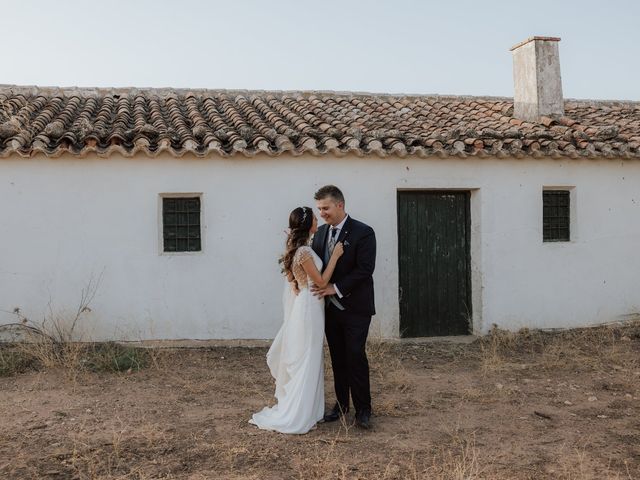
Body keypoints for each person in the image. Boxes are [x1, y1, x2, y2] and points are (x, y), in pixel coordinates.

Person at [249, 206, 343, 434]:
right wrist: (335, 257)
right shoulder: (303, 252)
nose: (317, 220)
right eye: (314, 217)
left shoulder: (301, 250)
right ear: (307, 224)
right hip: (310, 307)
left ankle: (311, 409)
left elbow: (294, 282)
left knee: (311, 355)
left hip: (309, 304)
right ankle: (300, 412)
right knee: (308, 357)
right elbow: (321, 283)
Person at [311, 185, 376, 429]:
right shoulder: (319, 234)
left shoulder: (364, 232)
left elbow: (364, 269)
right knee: (338, 358)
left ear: (340, 205)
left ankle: (363, 410)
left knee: (355, 356)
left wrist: (335, 288)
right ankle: (340, 406)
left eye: (325, 208)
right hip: (329, 310)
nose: (322, 213)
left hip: (356, 308)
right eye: (319, 209)